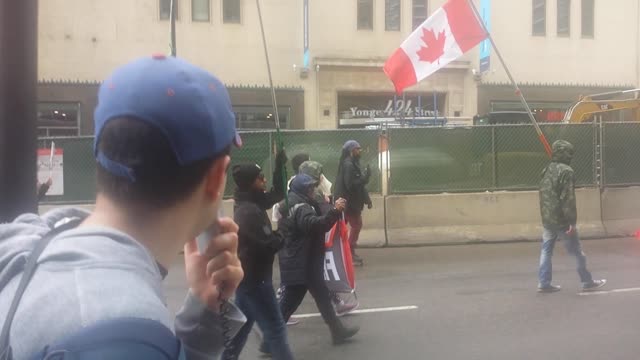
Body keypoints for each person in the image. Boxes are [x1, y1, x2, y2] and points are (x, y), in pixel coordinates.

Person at [0, 55, 246, 359]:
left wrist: (205, 312)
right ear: (217, 177)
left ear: (101, 150)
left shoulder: (29, 242)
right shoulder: (120, 334)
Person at [221, 153, 295, 360]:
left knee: (242, 327)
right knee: (276, 329)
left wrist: (280, 168)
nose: (264, 180)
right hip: (256, 280)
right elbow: (269, 245)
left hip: (249, 278)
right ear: (250, 183)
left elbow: (277, 193)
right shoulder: (248, 212)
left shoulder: (252, 200)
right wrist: (284, 229)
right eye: (260, 177)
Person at [277, 174, 360, 345]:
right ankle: (269, 342)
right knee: (288, 304)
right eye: (310, 188)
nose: (313, 190)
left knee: (322, 297)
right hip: (302, 263)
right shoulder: (301, 207)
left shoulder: (295, 202)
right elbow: (316, 225)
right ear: (303, 190)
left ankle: (338, 332)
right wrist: (335, 211)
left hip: (304, 261)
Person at [538, 140, 607, 293]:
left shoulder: (547, 169)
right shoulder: (567, 171)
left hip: (548, 218)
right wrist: (571, 223)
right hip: (562, 220)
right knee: (576, 252)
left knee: (546, 250)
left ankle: (544, 282)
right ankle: (587, 281)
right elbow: (568, 199)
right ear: (565, 153)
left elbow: (543, 194)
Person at [334, 140, 372, 266]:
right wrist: (365, 178)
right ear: (351, 151)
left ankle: (342, 252)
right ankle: (348, 252)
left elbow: (359, 186)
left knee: (342, 228)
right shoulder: (349, 165)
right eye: (357, 148)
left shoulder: (352, 163)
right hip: (349, 204)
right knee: (356, 226)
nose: (360, 150)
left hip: (349, 203)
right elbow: (350, 185)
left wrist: (367, 200)